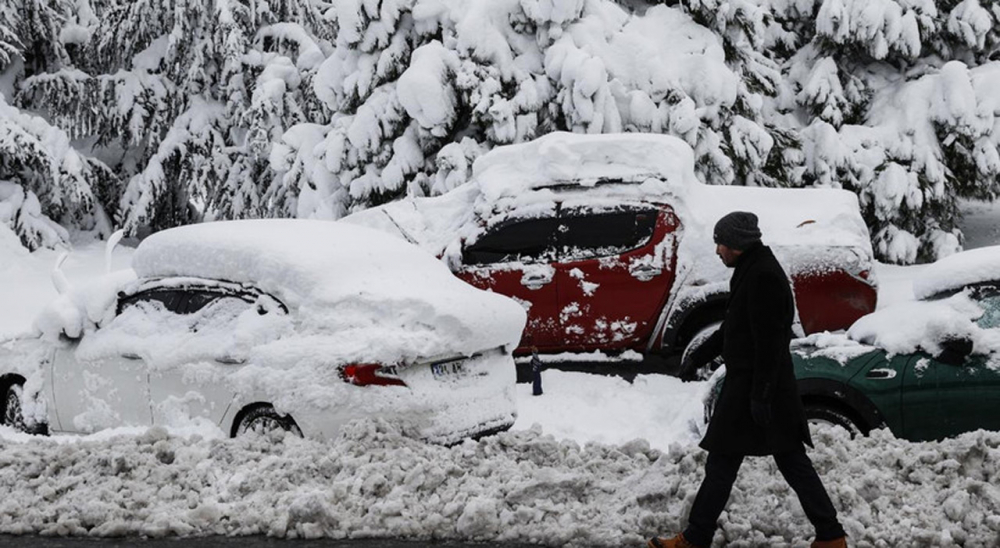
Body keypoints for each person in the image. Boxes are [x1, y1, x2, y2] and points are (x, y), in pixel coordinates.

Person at [648, 211, 847, 548]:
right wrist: (699, 355)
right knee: (770, 461)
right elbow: (734, 327)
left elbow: (770, 343)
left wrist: (761, 396)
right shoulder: (751, 269)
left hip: (758, 389)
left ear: (737, 245)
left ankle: (695, 539)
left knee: (748, 462)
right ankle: (830, 535)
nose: (717, 251)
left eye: (720, 243)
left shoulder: (763, 276)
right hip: (757, 388)